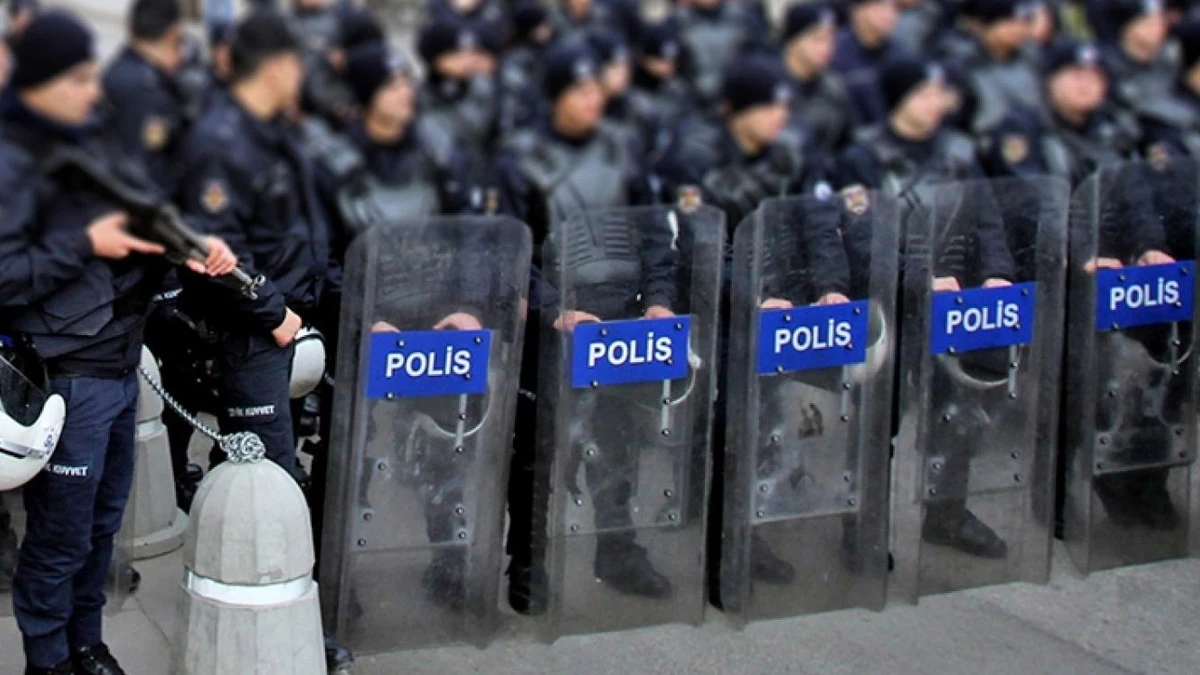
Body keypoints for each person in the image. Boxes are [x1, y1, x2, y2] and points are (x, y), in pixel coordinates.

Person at [0, 13, 235, 675]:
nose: (91, 89)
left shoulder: (94, 145)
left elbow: (136, 232)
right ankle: (48, 659)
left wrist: (186, 250)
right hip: (65, 373)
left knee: (102, 527)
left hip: (120, 361)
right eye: (76, 78)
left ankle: (86, 643)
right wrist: (85, 244)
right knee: (59, 536)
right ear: (38, 81)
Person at [175, 12, 351, 670]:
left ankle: (275, 614)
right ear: (274, 66)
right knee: (272, 481)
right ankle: (279, 633)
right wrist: (274, 313)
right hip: (251, 338)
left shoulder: (277, 133)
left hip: (292, 327)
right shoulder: (221, 140)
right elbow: (214, 251)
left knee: (269, 475)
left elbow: (308, 228)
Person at [493, 40, 675, 614]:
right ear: (554, 97)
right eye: (579, 89)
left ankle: (618, 551)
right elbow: (507, 251)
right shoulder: (520, 160)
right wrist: (553, 309)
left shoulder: (623, 150)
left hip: (621, 318)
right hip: (556, 324)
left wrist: (660, 301)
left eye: (597, 86)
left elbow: (656, 237)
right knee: (541, 449)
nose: (593, 98)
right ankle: (529, 561)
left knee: (621, 441)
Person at [835, 55, 1017, 559]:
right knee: (878, 424)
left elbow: (987, 224)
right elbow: (862, 240)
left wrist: (998, 275)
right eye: (927, 92)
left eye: (941, 92)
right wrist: (921, 280)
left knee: (961, 415)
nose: (939, 102)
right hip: (892, 307)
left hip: (956, 307)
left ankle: (948, 514)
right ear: (901, 98)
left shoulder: (959, 154)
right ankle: (861, 527)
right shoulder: (861, 158)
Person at [942, 0, 1044, 138]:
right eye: (1009, 22)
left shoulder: (1032, 60)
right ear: (988, 24)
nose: (1019, 28)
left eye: (1024, 22)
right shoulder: (963, 65)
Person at [417, 17, 499, 170]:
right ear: (437, 58)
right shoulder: (418, 99)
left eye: (469, 52)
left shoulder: (484, 89)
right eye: (457, 54)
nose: (468, 61)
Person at [780, 2, 854, 154]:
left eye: (831, 38)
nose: (827, 47)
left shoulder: (835, 88)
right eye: (817, 39)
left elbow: (846, 142)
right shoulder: (772, 88)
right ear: (794, 40)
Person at [831, 0, 910, 129]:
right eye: (880, 7)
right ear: (858, 11)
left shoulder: (900, 54)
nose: (889, 14)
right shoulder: (833, 48)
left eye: (894, 8)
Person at [674, 0, 765, 107]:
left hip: (738, 98)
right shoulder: (678, 21)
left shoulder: (742, 16)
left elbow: (761, 57)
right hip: (695, 99)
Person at [1102, 0, 1176, 116]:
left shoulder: (1168, 64)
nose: (1157, 29)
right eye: (1148, 24)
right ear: (1127, 26)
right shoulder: (1105, 65)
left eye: (1160, 23)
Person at [497, 1, 556, 135]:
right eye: (543, 25)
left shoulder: (546, 50)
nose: (548, 29)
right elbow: (511, 102)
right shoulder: (514, 59)